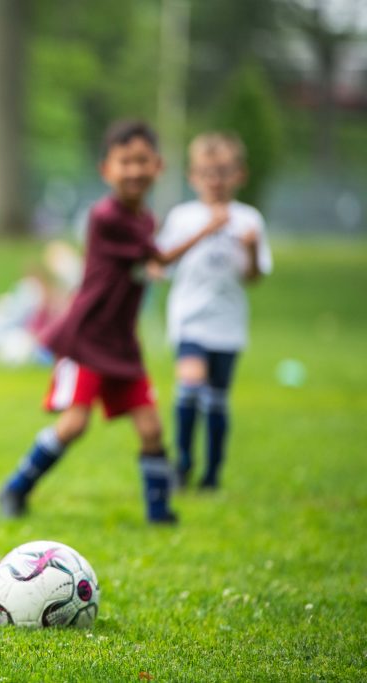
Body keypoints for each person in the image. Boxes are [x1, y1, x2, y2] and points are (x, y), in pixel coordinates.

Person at [0, 120, 227, 524]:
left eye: (142, 160)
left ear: (158, 166)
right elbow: (159, 258)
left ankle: (159, 514)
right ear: (106, 169)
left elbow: (142, 264)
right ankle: (15, 488)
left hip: (121, 342)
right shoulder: (106, 216)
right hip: (87, 338)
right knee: (74, 424)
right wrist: (209, 228)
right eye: (125, 161)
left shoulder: (144, 219)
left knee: (151, 429)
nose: (134, 170)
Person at [157, 132, 272, 490]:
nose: (215, 180)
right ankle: (183, 464)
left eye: (223, 172)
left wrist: (251, 249)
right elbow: (161, 264)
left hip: (227, 323)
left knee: (217, 400)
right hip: (190, 318)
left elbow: (254, 277)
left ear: (239, 175)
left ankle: (212, 474)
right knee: (190, 386)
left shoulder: (249, 219)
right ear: (193, 176)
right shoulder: (183, 217)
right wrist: (207, 230)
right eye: (207, 173)